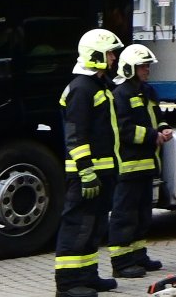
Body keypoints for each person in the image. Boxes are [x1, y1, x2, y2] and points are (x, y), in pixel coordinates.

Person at [56, 29, 122, 297]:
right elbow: (76, 134)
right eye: (110, 53)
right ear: (95, 55)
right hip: (86, 174)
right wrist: (86, 170)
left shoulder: (100, 85)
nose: (114, 58)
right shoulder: (82, 89)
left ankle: (87, 275)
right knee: (78, 227)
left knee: (94, 226)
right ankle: (68, 285)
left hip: (102, 172)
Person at [108, 44, 170, 279]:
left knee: (143, 213)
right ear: (129, 68)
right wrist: (153, 136)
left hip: (146, 164)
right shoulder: (120, 94)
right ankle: (121, 262)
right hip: (128, 165)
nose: (147, 70)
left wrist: (164, 129)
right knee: (125, 214)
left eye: (147, 65)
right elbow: (123, 129)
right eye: (143, 66)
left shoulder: (147, 91)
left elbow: (158, 117)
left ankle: (137, 255)